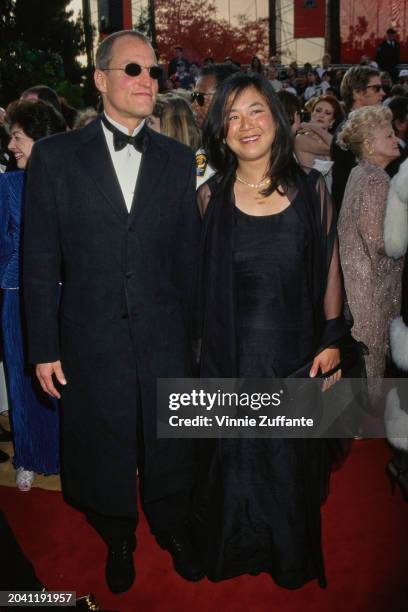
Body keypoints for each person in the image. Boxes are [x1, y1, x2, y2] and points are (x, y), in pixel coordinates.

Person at [22, 29, 202, 594]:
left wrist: (197, 340)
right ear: (101, 80)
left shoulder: (177, 160)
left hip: (165, 330)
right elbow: (38, 260)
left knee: (169, 437)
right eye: (133, 70)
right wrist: (43, 348)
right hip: (89, 336)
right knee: (104, 443)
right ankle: (117, 532)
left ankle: (170, 524)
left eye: (153, 72)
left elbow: (187, 257)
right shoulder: (54, 158)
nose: (148, 80)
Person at [193, 72, 346, 587]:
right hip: (229, 360)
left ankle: (289, 555)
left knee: (286, 462)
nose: (245, 124)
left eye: (255, 110)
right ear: (220, 132)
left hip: (294, 354)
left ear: (277, 119)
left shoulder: (313, 188)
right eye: (231, 116)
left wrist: (331, 340)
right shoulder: (209, 197)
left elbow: (329, 268)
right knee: (233, 460)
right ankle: (235, 548)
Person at [0, 100, 65, 491]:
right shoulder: (7, 185)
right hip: (17, 294)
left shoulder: (70, 181)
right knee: (23, 378)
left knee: (64, 381)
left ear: (41, 140)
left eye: (18, 137)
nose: (11, 145)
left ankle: (64, 452)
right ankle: (28, 455)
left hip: (64, 294)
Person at [337, 106, 403, 397]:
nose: (396, 139)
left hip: (359, 288)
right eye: (387, 135)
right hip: (372, 291)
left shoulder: (359, 172)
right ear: (369, 144)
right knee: (371, 363)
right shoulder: (377, 180)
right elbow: (380, 240)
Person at [331, 66, 385, 211]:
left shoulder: (365, 127)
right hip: (357, 219)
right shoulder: (349, 130)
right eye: (376, 88)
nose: (383, 93)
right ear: (357, 93)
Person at [191, 63, 240, 187]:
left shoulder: (248, 152)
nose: (194, 105)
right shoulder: (203, 151)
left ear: (227, 99)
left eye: (200, 98)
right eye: (193, 97)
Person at [295, 95, 344, 192]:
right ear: (311, 113)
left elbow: (338, 147)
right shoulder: (300, 139)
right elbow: (335, 148)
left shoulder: (330, 140)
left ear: (332, 121)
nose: (321, 115)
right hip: (310, 198)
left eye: (328, 113)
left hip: (331, 196)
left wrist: (310, 126)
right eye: (318, 111)